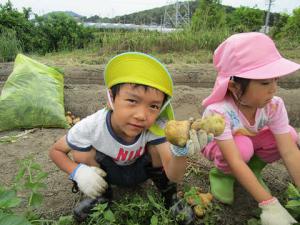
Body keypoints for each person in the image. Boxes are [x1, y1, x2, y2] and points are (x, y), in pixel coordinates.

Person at [49, 52, 205, 224]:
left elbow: (175, 175)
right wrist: (78, 172)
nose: (142, 115)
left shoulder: (156, 126)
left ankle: (169, 196)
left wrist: (180, 151)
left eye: (153, 106)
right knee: (81, 150)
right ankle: (100, 195)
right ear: (111, 99)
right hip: (108, 173)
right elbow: (56, 151)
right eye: (132, 100)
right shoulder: (92, 126)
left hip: (141, 171)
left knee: (157, 146)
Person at [200, 32, 300, 225]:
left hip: (248, 139)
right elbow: (235, 159)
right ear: (234, 87)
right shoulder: (219, 112)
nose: (273, 89)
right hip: (224, 148)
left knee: (289, 135)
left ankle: (252, 171)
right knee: (242, 148)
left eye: (275, 80)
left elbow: (289, 150)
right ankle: (222, 174)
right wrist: (269, 204)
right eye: (264, 83)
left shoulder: (273, 105)